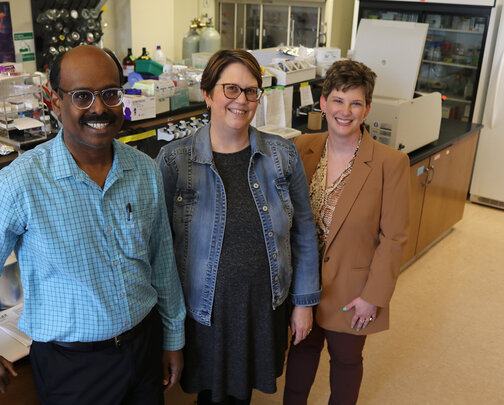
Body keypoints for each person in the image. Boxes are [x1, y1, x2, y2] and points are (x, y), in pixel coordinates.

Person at [0, 45, 186, 405]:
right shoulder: (19, 185)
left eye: (110, 94)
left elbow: (162, 263)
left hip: (143, 347)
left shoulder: (145, 170)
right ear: (55, 102)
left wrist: (172, 338)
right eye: (82, 96)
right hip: (73, 368)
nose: (99, 108)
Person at [156, 49, 321, 405]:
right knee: (211, 394)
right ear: (208, 93)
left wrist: (303, 302)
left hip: (262, 304)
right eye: (230, 89)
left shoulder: (282, 155)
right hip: (204, 309)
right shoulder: (174, 160)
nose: (241, 100)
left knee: (240, 394)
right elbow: (159, 247)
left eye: (251, 91)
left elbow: (304, 231)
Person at [283, 59, 409, 405]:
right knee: (300, 358)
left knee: (346, 363)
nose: (345, 111)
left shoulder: (390, 164)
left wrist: (374, 296)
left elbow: (394, 237)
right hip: (303, 288)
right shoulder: (301, 148)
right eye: (338, 100)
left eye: (356, 103)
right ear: (322, 103)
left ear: (367, 109)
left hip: (354, 293)